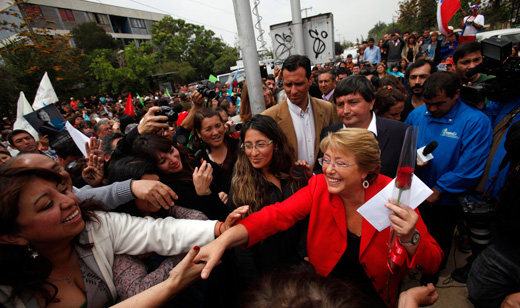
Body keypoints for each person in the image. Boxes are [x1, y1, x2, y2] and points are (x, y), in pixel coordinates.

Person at [194, 129, 443, 308]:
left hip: (378, 296)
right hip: (329, 295)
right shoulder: (319, 185)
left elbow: (432, 263)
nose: (328, 169)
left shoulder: (397, 193)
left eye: (340, 162)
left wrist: (410, 238)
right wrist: (224, 239)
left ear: (366, 169)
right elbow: (276, 216)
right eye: (326, 160)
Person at [0, 167, 228, 308]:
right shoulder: (8, 293)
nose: (69, 201)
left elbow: (161, 232)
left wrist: (222, 229)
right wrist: (171, 284)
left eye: (62, 190)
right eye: (47, 205)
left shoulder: (96, 224)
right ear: (12, 235)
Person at [405, 71, 492, 285]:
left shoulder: (475, 121)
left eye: (439, 104)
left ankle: (430, 277)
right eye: (428, 103)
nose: (432, 109)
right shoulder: (416, 115)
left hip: (443, 199)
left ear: (456, 95)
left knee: (439, 238)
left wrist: (439, 190)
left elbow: (470, 167)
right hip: (413, 192)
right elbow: (404, 146)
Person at [228, 114, 308, 290]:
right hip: (267, 279)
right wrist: (256, 286)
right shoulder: (241, 188)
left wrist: (306, 258)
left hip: (302, 270)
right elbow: (242, 248)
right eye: (248, 146)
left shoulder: (295, 174)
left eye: (261, 144)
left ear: (276, 144)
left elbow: (306, 221)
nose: (253, 153)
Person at [318, 75, 409, 178]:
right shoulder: (329, 133)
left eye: (353, 103)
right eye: (340, 104)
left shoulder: (400, 132)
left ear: (371, 103)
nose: (346, 110)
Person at [262, 55, 337, 169]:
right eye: (288, 85)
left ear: (310, 80)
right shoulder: (269, 118)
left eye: (299, 84)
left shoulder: (327, 108)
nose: (293, 91)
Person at [132, 133, 230, 221]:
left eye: (171, 151)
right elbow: (216, 219)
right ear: (154, 167)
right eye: (163, 161)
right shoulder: (170, 192)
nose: (173, 160)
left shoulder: (188, 155)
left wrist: (222, 191)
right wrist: (205, 194)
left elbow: (222, 174)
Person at [192, 108, 239, 194]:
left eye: (218, 126)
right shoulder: (198, 161)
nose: (215, 132)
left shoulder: (239, 147)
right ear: (198, 133)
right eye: (208, 129)